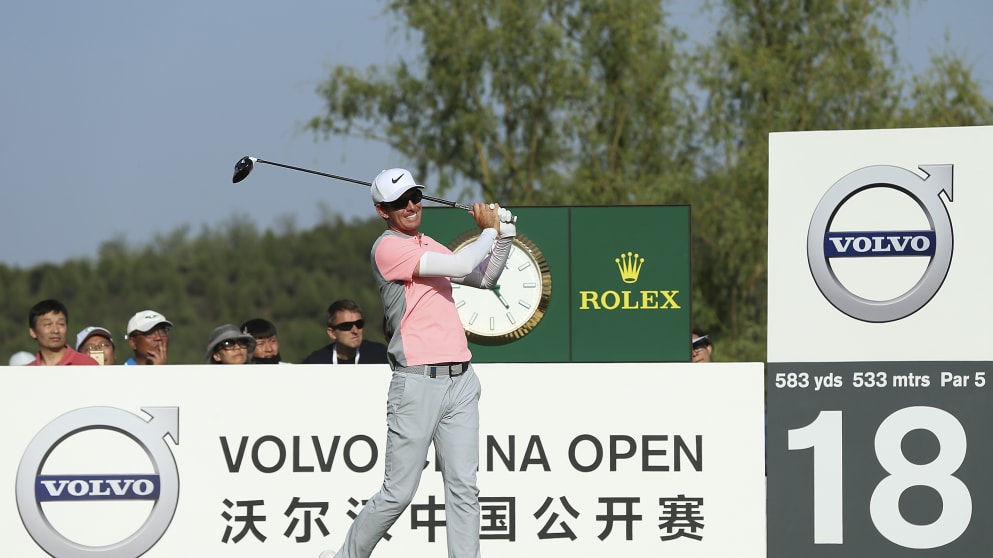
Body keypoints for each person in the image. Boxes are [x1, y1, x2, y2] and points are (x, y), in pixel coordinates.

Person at [320, 168, 516, 558]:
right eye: (398, 203)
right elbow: (462, 266)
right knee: (398, 492)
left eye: (414, 197)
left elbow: (481, 276)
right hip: (417, 382)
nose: (410, 206)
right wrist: (489, 230)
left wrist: (505, 236)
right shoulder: (388, 248)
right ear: (382, 210)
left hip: (460, 378)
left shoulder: (428, 243)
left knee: (464, 485)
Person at [301, 299, 388, 365]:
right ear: (332, 333)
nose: (355, 330)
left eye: (359, 324)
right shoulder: (316, 362)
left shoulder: (381, 355)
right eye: (346, 326)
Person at [26, 299, 99, 366]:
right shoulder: (26, 373)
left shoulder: (87, 365)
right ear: (33, 332)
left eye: (61, 324)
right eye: (47, 324)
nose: (55, 330)